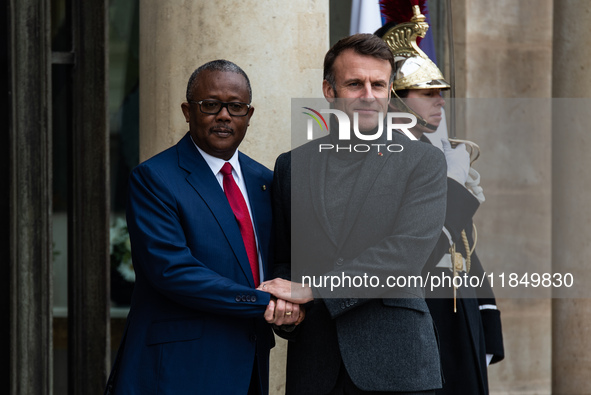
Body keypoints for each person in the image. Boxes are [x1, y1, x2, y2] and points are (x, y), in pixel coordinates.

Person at [260, 34, 447, 394]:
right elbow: (284, 259)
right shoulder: (292, 165)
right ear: (329, 91)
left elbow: (405, 254)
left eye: (378, 84)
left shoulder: (422, 161)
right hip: (315, 362)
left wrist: (313, 291)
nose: (368, 95)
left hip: (396, 362)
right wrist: (286, 310)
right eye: (354, 84)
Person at [104, 59, 303, 395]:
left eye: (236, 107)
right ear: (187, 110)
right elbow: (172, 271)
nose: (224, 115)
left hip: (249, 367)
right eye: (210, 105)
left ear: (249, 116)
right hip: (180, 369)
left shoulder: (265, 181)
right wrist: (263, 302)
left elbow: (277, 261)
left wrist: (295, 304)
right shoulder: (155, 178)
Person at [375, 5, 505, 394]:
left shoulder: (435, 152)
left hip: (459, 308)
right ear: (397, 98)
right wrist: (453, 183)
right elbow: (420, 244)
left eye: (441, 93)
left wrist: (487, 318)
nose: (440, 102)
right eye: (428, 93)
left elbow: (464, 243)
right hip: (418, 312)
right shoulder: (385, 157)